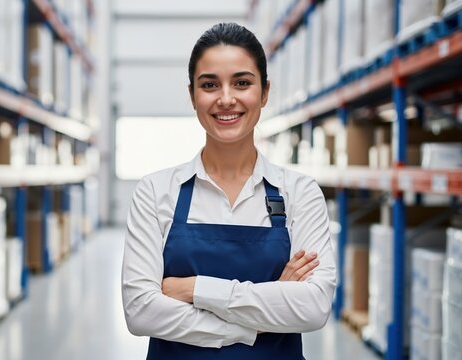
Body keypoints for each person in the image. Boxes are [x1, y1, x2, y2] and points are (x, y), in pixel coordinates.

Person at [121, 23, 336, 359]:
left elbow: (312, 308)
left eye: (242, 83)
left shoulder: (300, 193)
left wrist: (194, 289)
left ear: (264, 92)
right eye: (209, 85)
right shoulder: (156, 191)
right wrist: (262, 314)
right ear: (192, 95)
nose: (225, 98)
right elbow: (140, 311)